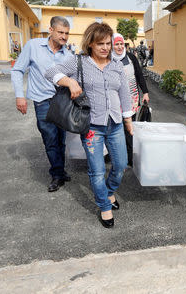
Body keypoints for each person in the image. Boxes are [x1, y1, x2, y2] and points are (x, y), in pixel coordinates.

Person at [45, 22, 134, 228]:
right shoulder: (78, 63)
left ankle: (109, 192)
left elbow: (124, 94)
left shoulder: (116, 66)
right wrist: (70, 82)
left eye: (108, 43)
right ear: (91, 44)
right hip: (92, 127)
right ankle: (104, 206)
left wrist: (128, 120)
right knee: (97, 170)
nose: (105, 48)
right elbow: (50, 72)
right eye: (100, 43)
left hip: (116, 124)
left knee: (120, 165)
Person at [11, 16, 73, 192]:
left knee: (61, 139)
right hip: (42, 101)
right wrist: (19, 96)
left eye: (67, 33)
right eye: (60, 32)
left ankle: (59, 170)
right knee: (50, 139)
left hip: (62, 102)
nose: (64, 37)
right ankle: (57, 174)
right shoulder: (33, 46)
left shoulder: (68, 55)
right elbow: (17, 70)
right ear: (51, 30)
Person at [112, 32, 149, 166]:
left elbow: (139, 75)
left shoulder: (131, 57)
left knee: (129, 129)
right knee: (115, 129)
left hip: (131, 99)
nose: (120, 47)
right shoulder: (108, 59)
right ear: (112, 45)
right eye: (117, 44)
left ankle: (129, 159)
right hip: (114, 100)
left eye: (122, 44)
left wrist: (145, 92)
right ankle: (114, 156)